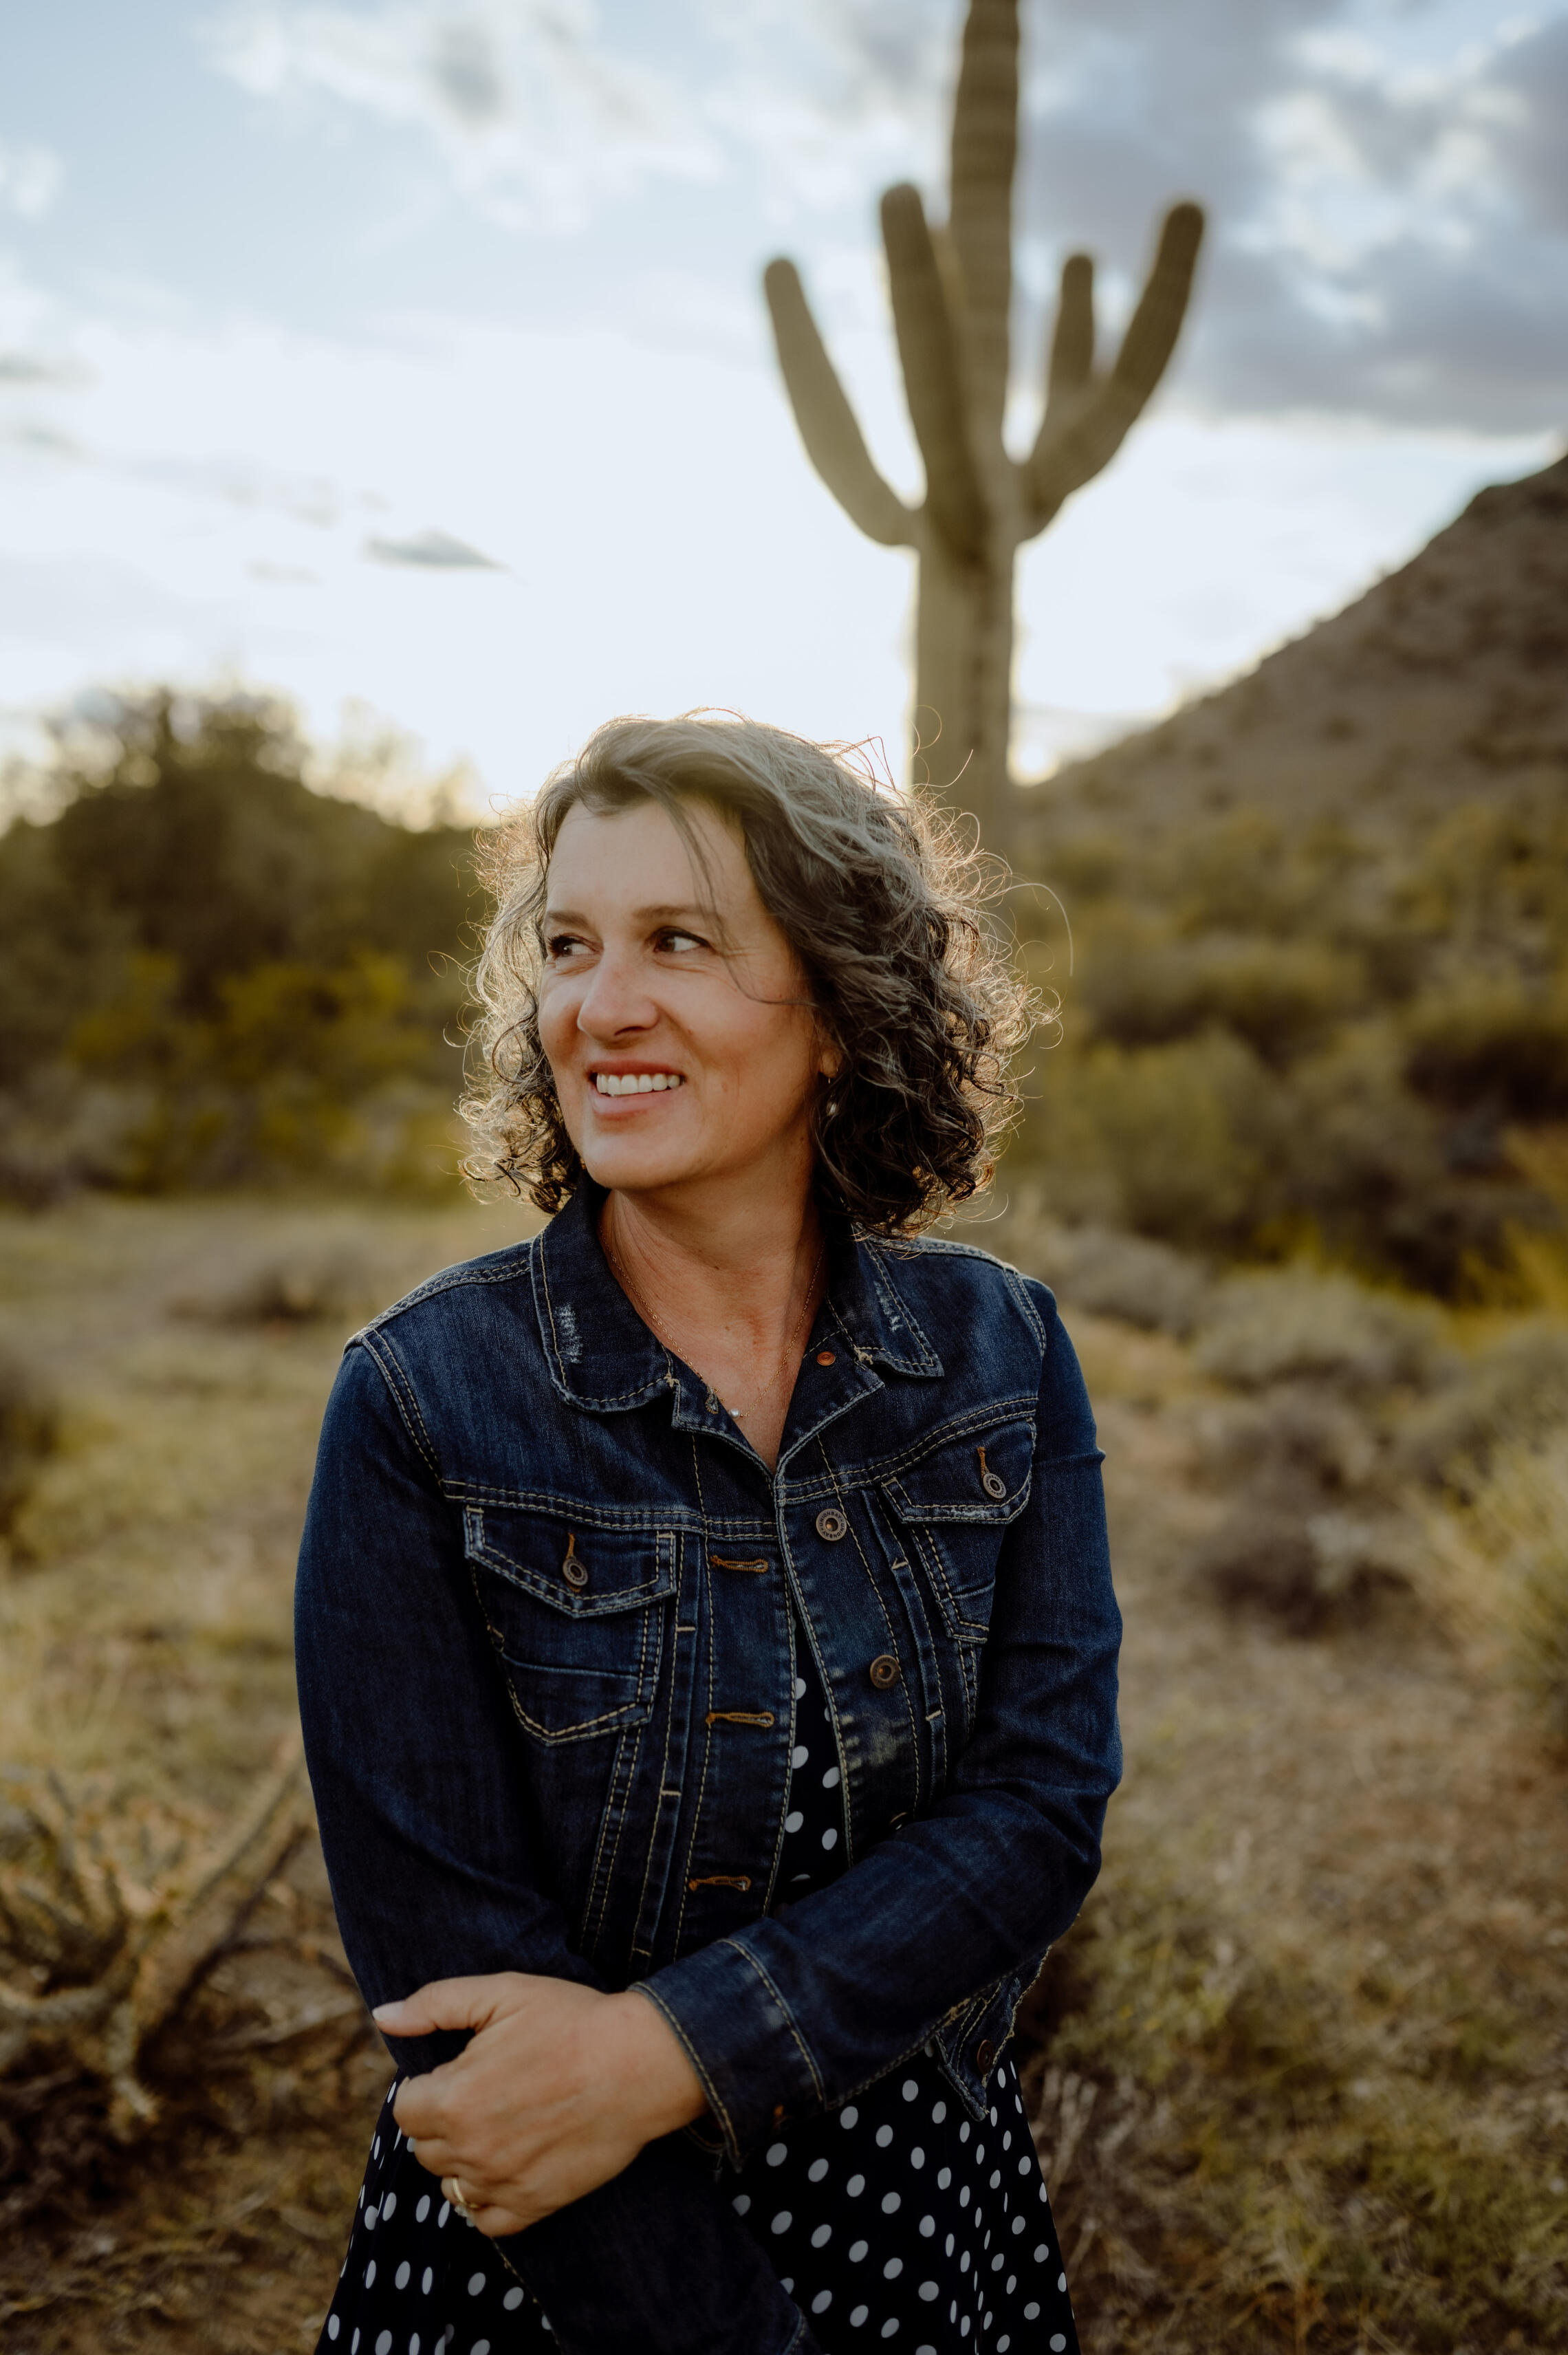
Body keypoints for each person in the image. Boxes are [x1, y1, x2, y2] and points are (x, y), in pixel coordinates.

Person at [295, 714, 1122, 2355]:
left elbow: (1038, 1809)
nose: (600, 1006)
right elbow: (449, 1984)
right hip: (556, 2258)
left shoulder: (1001, 1355)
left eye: (678, 939)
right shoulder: (420, 1401)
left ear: (839, 1010)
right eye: (569, 945)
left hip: (924, 2216)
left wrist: (666, 2052)